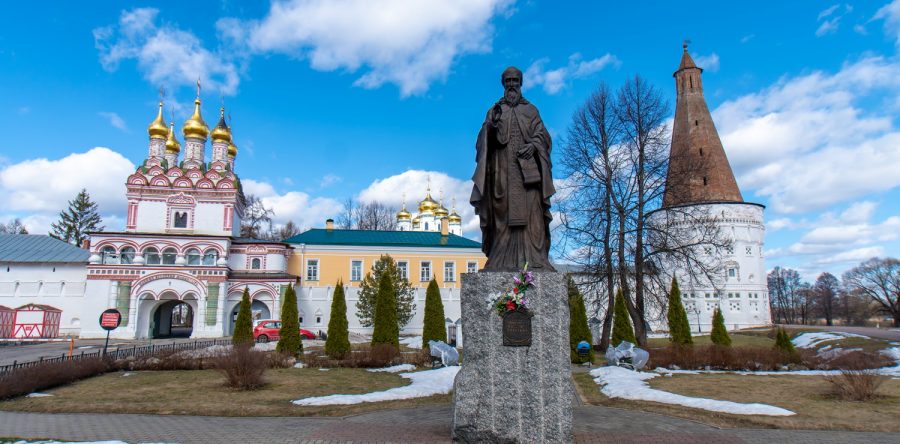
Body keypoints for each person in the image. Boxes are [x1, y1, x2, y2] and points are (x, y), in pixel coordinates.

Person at [470, 67, 556, 271]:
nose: (511, 84)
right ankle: (500, 260)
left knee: (533, 217)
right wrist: (490, 125)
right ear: (503, 84)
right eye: (507, 81)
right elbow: (483, 141)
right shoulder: (495, 110)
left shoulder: (531, 110)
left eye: (514, 80)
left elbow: (543, 136)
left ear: (521, 83)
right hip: (502, 174)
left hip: (528, 178)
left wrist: (534, 145)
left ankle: (536, 260)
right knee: (502, 217)